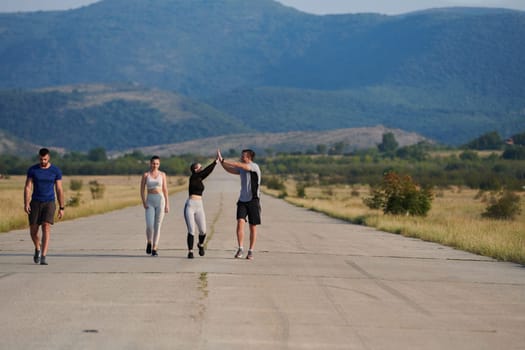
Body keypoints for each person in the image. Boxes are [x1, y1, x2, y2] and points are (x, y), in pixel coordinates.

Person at [24, 148, 65, 265]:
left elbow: (59, 189)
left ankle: (43, 256)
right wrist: (26, 203)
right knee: (33, 231)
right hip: (35, 202)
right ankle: (37, 247)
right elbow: (28, 187)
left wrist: (62, 207)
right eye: (41, 159)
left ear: (49, 158)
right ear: (39, 158)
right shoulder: (33, 170)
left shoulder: (55, 171)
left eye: (45, 159)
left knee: (46, 227)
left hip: (49, 202)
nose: (43, 161)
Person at [218, 149, 261, 260]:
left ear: (249, 157)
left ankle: (251, 251)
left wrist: (224, 159)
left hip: (253, 200)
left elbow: (239, 165)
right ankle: (240, 248)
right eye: (241, 156)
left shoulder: (253, 166)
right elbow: (230, 170)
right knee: (240, 222)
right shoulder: (241, 168)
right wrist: (222, 162)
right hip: (242, 200)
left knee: (253, 227)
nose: (241, 157)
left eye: (244, 156)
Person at [184, 151, 220, 259]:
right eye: (200, 167)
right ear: (195, 169)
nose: (202, 169)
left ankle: (200, 244)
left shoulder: (199, 178)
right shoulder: (194, 177)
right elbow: (206, 172)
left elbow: (206, 173)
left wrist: (215, 162)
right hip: (190, 205)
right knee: (191, 230)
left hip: (199, 205)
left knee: (203, 231)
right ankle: (190, 251)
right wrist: (215, 162)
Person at [140, 155, 169, 256]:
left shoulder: (162, 175)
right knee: (149, 224)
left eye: (157, 164)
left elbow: (165, 189)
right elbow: (142, 190)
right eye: (153, 163)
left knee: (158, 225)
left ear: (159, 164)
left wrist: (167, 204)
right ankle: (149, 241)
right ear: (150, 163)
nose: (155, 165)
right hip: (150, 200)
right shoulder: (146, 175)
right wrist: (144, 202)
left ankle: (155, 247)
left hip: (160, 200)